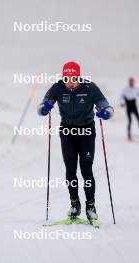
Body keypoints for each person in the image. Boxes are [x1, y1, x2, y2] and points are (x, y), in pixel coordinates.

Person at [37, 61, 114, 220]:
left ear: (79, 77)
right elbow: (42, 106)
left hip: (86, 132)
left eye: (73, 79)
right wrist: (44, 108)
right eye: (66, 79)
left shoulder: (89, 87)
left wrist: (106, 113)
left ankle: (90, 206)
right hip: (67, 132)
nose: (69, 83)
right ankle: (74, 204)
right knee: (70, 169)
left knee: (86, 169)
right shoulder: (58, 87)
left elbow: (107, 107)